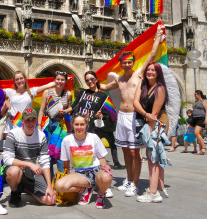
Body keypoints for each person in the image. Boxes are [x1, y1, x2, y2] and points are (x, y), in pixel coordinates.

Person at [100, 25, 164, 197]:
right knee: (126, 150)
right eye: (124, 62)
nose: (127, 64)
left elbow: (151, 54)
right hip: (121, 116)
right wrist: (91, 80)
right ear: (121, 64)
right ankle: (128, 179)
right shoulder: (119, 79)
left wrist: (157, 36)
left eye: (129, 62)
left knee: (135, 151)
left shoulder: (139, 74)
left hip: (134, 116)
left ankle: (135, 183)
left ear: (133, 62)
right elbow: (104, 86)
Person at [55, 115, 113, 209]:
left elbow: (101, 157)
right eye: (76, 124)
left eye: (82, 124)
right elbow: (66, 162)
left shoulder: (93, 137)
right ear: (72, 125)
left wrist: (104, 166)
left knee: (107, 177)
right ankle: (85, 190)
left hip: (96, 171)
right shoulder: (67, 140)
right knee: (59, 186)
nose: (79, 127)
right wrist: (68, 178)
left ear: (86, 125)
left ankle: (101, 195)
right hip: (81, 175)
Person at [3, 108, 56, 207]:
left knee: (50, 200)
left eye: (33, 120)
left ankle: (26, 189)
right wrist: (29, 164)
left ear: (36, 121)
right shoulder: (13, 134)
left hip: (31, 172)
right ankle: (15, 192)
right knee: (14, 171)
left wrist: (49, 186)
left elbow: (45, 161)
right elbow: (7, 159)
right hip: (15, 168)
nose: (31, 123)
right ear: (22, 121)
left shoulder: (41, 136)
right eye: (27, 120)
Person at [133, 62, 169, 203]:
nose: (150, 72)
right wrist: (145, 114)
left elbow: (155, 113)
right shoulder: (143, 85)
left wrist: (148, 125)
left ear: (158, 72)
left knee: (152, 155)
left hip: (158, 120)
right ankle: (159, 187)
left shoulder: (160, 88)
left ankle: (153, 193)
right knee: (155, 155)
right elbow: (135, 102)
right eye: (148, 70)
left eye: (153, 70)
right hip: (149, 118)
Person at [37, 71, 72, 176]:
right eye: (58, 79)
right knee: (48, 152)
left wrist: (65, 111)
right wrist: (39, 125)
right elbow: (42, 110)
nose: (60, 81)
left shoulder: (68, 94)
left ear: (65, 81)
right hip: (48, 124)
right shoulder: (47, 92)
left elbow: (70, 108)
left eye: (62, 79)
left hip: (60, 125)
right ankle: (50, 178)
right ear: (54, 80)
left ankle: (61, 178)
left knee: (59, 152)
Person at [3, 70, 55, 136]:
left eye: (21, 78)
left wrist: (65, 79)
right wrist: (5, 101)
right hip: (11, 126)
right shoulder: (10, 92)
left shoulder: (32, 92)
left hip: (26, 126)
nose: (19, 81)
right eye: (17, 79)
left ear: (25, 79)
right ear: (14, 82)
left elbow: (48, 85)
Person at [192, 90, 207, 155]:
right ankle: (200, 149)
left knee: (196, 132)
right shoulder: (196, 102)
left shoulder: (203, 101)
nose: (194, 96)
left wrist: (206, 119)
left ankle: (204, 147)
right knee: (199, 134)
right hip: (196, 119)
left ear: (199, 95)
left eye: (195, 94)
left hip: (201, 119)